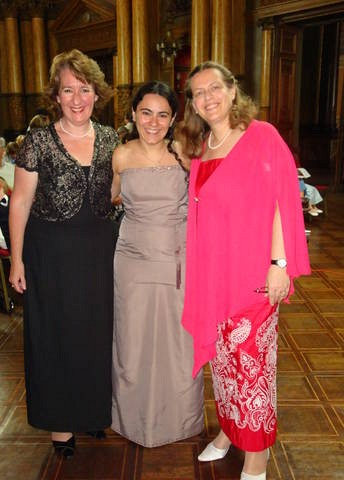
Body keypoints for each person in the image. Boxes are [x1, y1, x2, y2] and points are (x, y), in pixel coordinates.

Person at [177, 62, 311, 479]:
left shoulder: (262, 137)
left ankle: (259, 452)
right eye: (198, 93)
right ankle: (231, 431)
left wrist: (279, 264)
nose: (207, 98)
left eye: (214, 88)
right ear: (193, 104)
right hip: (215, 276)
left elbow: (282, 202)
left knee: (253, 366)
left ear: (233, 91)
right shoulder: (202, 147)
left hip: (253, 272)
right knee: (224, 363)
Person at [9, 49, 119, 458]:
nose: (77, 98)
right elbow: (19, 202)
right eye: (68, 90)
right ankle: (60, 424)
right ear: (55, 96)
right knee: (55, 335)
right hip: (50, 255)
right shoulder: (38, 141)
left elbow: (115, 193)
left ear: (96, 93)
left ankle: (91, 411)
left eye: (84, 89)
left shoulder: (110, 138)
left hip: (98, 252)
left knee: (95, 333)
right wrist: (17, 260)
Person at [111, 81, 204, 448]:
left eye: (162, 114)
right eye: (145, 112)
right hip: (131, 260)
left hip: (177, 259)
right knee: (131, 341)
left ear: (173, 118)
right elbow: (110, 198)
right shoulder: (119, 155)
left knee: (178, 342)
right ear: (133, 115)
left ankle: (179, 419)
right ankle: (131, 419)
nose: (153, 121)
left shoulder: (183, 153)